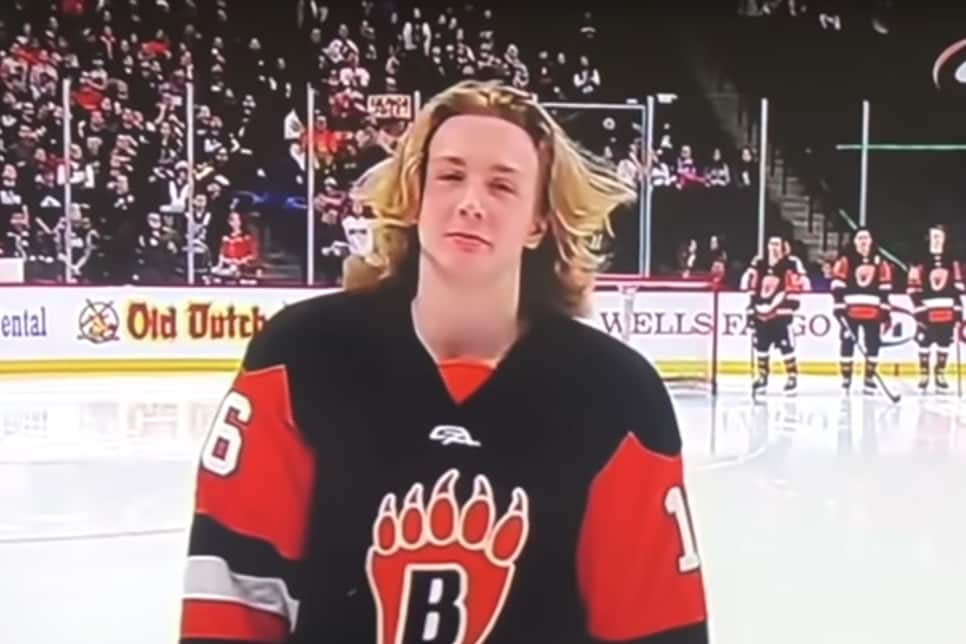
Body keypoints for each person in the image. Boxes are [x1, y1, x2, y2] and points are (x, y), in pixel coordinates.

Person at [179, 80, 708, 643]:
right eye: (450, 176)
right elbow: (232, 594)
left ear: (538, 222)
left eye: (503, 185)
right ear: (415, 197)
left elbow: (655, 625)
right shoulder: (300, 357)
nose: (471, 202)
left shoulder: (615, 395)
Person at [831, 227, 893, 393]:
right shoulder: (845, 260)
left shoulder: (880, 261)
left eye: (866, 238)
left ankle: (869, 377)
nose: (863, 241)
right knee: (847, 342)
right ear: (854, 241)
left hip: (873, 311)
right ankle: (846, 377)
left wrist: (886, 311)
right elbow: (837, 285)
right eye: (860, 238)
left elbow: (885, 288)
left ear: (871, 241)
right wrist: (838, 306)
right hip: (850, 311)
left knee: (873, 344)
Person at [741, 234, 804, 393]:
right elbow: (750, 287)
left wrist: (773, 306)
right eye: (771, 244)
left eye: (777, 244)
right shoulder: (760, 264)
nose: (774, 247)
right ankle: (762, 377)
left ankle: (791, 376)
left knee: (786, 346)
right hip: (761, 314)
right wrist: (753, 308)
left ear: (783, 247)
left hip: (781, 314)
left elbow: (792, 289)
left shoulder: (790, 264)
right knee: (761, 346)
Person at [906, 224, 964, 392]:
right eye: (934, 236)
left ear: (945, 239)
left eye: (939, 236)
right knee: (924, 342)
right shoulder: (920, 260)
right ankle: (924, 374)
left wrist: (958, 309)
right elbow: (913, 288)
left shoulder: (952, 261)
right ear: (929, 238)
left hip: (947, 310)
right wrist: (919, 309)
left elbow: (958, 288)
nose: (937, 240)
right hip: (927, 310)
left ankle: (940, 374)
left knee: (944, 343)